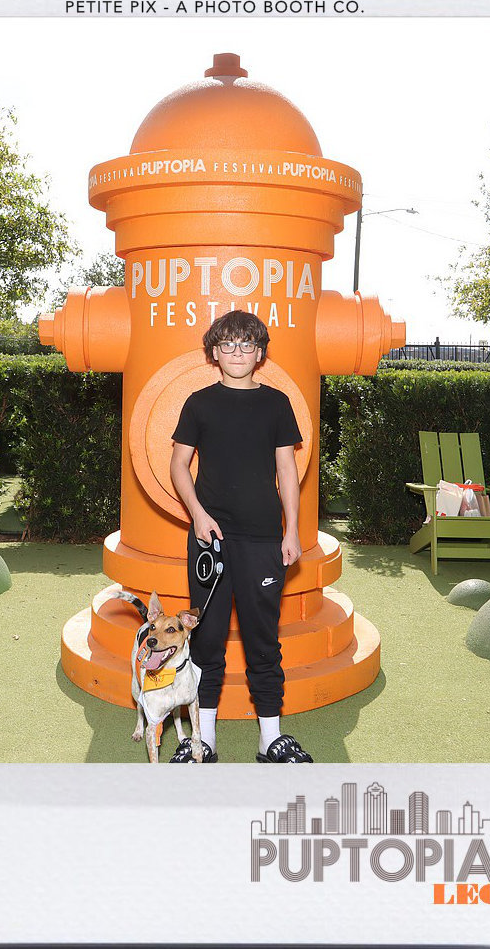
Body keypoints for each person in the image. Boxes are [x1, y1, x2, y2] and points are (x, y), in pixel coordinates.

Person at [169, 310, 314, 763]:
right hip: (209, 540)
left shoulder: (277, 403)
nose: (237, 352)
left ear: (260, 353)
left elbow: (287, 471)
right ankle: (203, 740)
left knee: (262, 640)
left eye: (247, 344)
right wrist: (197, 514)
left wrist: (291, 530)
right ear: (214, 352)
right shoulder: (198, 403)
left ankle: (270, 739)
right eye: (227, 344)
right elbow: (179, 466)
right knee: (207, 639)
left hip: (264, 540)